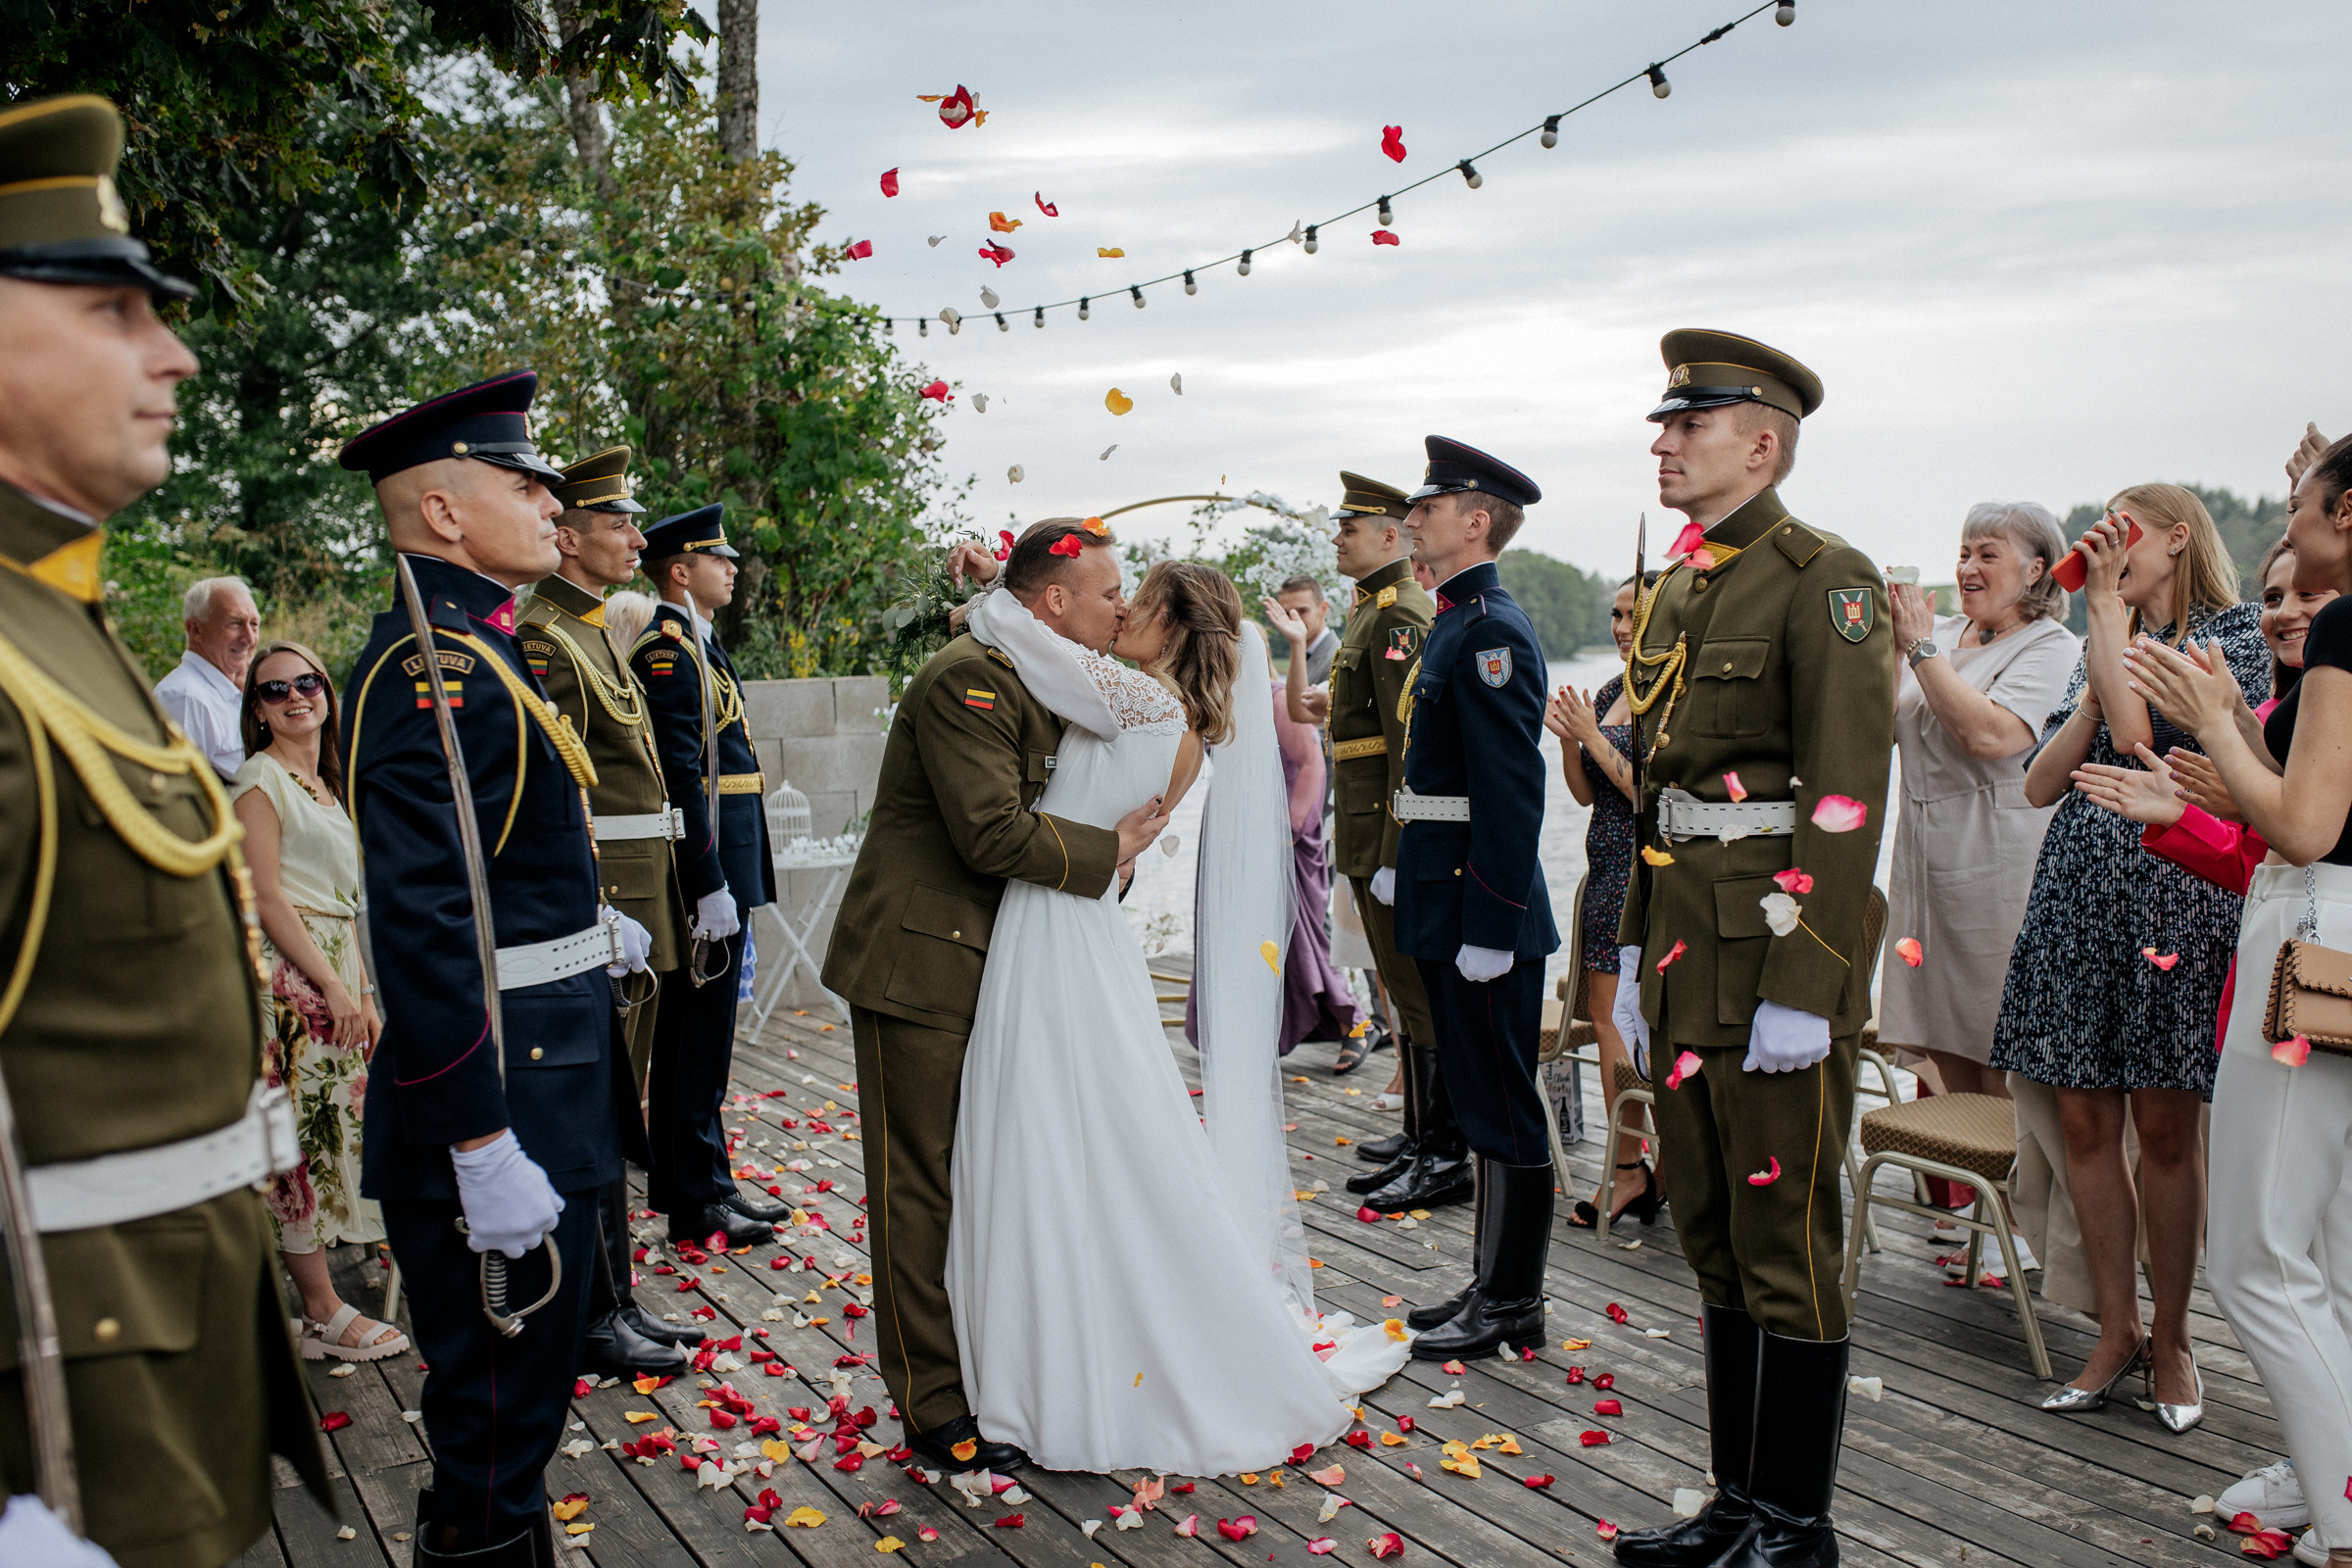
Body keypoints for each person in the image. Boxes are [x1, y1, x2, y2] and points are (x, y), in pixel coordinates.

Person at [0, 92, 327, 1567]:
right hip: (63, 1424)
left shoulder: (56, 621)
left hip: (154, 1384)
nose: (175, 352)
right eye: (115, 310)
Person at [947, 554, 1410, 1473]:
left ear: (1176, 627)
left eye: (1138, 602)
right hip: (1075, 927)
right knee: (1076, 1123)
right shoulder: (1177, 720)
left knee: (1053, 1121)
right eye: (1118, 598)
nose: (1119, 614)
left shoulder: (1138, 701)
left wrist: (992, 587)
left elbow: (1020, 631)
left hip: (1056, 932)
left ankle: (1066, 1335)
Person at [338, 370, 653, 1564]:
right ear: (444, 513)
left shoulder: (483, 647)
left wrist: (588, 922)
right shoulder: (437, 668)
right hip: (502, 1088)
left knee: (520, 1412)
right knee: (493, 1421)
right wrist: (475, 1138)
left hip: (547, 1061)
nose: (550, 500)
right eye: (521, 481)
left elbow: (507, 862)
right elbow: (419, 920)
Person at [1608, 330, 1892, 1568]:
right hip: (1684, 952)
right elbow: (1659, 799)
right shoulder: (1678, 588)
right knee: (1713, 1232)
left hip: (1772, 954)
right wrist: (1627, 949)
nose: (1662, 442)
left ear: (1762, 441)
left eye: (1690, 424)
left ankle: (1797, 1521)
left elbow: (1845, 794)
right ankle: (1737, 1503)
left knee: (1790, 1243)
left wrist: (1809, 979)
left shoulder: (1824, 576)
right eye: (1665, 424)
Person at [825, 518, 1160, 1472]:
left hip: (999, 963)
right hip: (920, 966)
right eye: (1106, 593)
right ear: (1053, 601)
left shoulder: (1043, 673)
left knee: (985, 1169)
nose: (1120, 608)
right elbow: (990, 834)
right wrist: (1116, 852)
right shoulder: (968, 677)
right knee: (918, 1185)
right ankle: (932, 1400)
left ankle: (986, 1360)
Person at [2119, 446, 2352, 1565]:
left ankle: (2346, 1513)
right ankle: (2328, 1480)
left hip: (2316, 930)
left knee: (2256, 1256)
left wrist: (2216, 724)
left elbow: (2304, 829)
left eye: (2305, 508)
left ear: (2345, 515)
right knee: (2341, 1248)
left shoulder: (2351, 629)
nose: (2294, 529)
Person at [1994, 485, 2263, 1433]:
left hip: (2175, 890)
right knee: (2081, 1119)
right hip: (2078, 888)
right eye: (2097, 533)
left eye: (2124, 529)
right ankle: (2115, 1330)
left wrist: (2102, 605)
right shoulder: (2101, 637)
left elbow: (2143, 742)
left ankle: (2178, 1336)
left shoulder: (2234, 637)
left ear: (2179, 537)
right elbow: (2036, 784)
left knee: (2166, 1127)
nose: (2104, 545)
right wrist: (2093, 678)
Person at [517, 447, 700, 1379]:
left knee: (617, 1104)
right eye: (617, 523)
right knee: (597, 1110)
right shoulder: (546, 634)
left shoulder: (589, 630)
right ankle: (592, 1310)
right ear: (569, 535)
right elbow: (561, 792)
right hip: (609, 898)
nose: (636, 537)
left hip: (642, 891)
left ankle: (618, 1296)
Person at [1388, 435, 1559, 1360]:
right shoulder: (1457, 619)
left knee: (1501, 1101)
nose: (1413, 517)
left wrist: (1492, 922)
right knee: (1478, 1092)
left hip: (1477, 906)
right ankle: (1494, 1284)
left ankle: (1513, 1301)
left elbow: (1509, 788)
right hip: (1444, 888)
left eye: (1429, 505)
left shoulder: (1491, 626)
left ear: (1477, 519)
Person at [1275, 475, 1466, 1208]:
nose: (1337, 537)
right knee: (1406, 994)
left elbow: (1405, 746)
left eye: (1349, 528)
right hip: (1359, 825)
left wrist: (1395, 850)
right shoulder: (1368, 612)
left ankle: (1442, 1151)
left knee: (1416, 997)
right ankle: (1422, 1134)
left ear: (1391, 537)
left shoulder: (1400, 616)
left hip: (1384, 829)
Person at [231, 641, 407, 1364]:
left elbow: (347, 904)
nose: (296, 695)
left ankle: (338, 1281)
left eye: (308, 682)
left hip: (337, 962)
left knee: (341, 1125)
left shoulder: (328, 784)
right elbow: (266, 895)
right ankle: (318, 1309)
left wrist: (362, 987)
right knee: (299, 1142)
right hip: (288, 980)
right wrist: (330, 986)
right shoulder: (259, 780)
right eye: (276, 689)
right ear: (258, 709)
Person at [626, 505, 782, 1249]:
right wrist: (707, 878)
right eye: (718, 558)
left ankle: (710, 1184)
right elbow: (683, 776)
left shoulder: (700, 643)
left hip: (728, 858)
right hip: (707, 866)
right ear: (680, 571)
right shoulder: (668, 649)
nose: (733, 567)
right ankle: (694, 1200)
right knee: (693, 1043)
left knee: (710, 1042)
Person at [1544, 573, 1662, 1229]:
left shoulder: (1667, 694)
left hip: (1643, 872)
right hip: (1604, 860)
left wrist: (1591, 737)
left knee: (1622, 1020)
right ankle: (1635, 1163)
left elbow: (1649, 792)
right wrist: (1570, 740)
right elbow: (1589, 795)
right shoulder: (1616, 689)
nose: (1620, 627)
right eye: (1616, 614)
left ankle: (1629, 1168)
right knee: (1606, 1017)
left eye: (1633, 615)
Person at [154, 574, 260, 780]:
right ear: (196, 630)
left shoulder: (229, 691)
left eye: (254, 624)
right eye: (235, 623)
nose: (250, 638)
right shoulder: (186, 698)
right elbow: (183, 791)